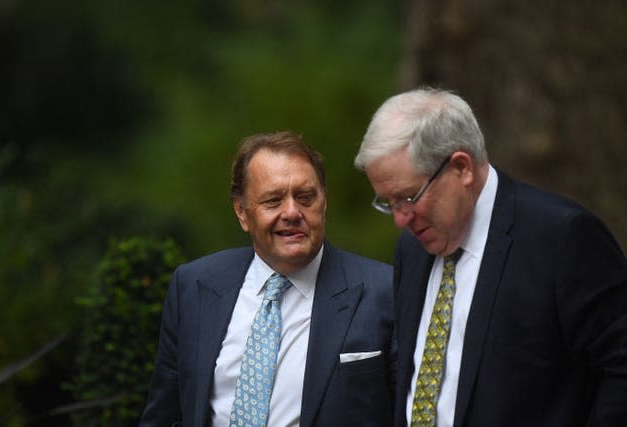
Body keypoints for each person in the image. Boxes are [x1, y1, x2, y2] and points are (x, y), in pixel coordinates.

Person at [354, 88, 627, 427]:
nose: (400, 219)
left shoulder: (561, 238)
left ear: (462, 168)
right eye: (388, 203)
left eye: (409, 197)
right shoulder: (412, 249)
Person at [140, 131, 396, 427]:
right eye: (273, 200)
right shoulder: (195, 286)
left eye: (305, 197)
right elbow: (164, 414)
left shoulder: (384, 291)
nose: (291, 212)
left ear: (324, 202)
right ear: (242, 213)